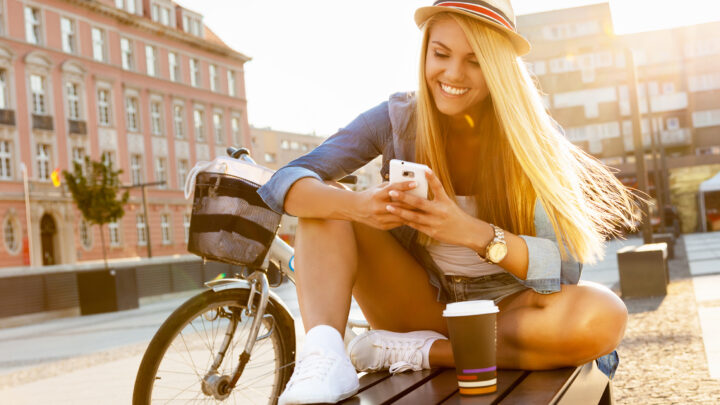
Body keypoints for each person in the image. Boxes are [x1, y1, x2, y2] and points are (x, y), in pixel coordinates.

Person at [258, 1, 639, 404]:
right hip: (422, 305)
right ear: (425, 51)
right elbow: (287, 181)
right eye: (441, 54)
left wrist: (469, 232)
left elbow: (562, 267)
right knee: (327, 204)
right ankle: (323, 354)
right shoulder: (394, 119)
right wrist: (362, 206)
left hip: (506, 312)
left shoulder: (533, 139)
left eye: (474, 61)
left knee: (605, 315)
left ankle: (423, 353)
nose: (453, 74)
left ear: (497, 67)